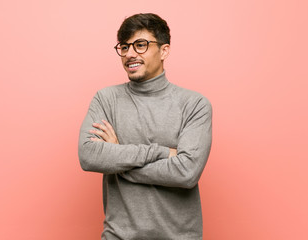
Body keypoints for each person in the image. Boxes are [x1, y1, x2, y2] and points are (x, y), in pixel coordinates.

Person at [78, 13, 212, 240]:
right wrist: (160, 152)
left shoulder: (194, 104)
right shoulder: (106, 99)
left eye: (140, 45)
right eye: (124, 47)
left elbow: (187, 172)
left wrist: (118, 157)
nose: (130, 54)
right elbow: (89, 156)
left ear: (164, 51)